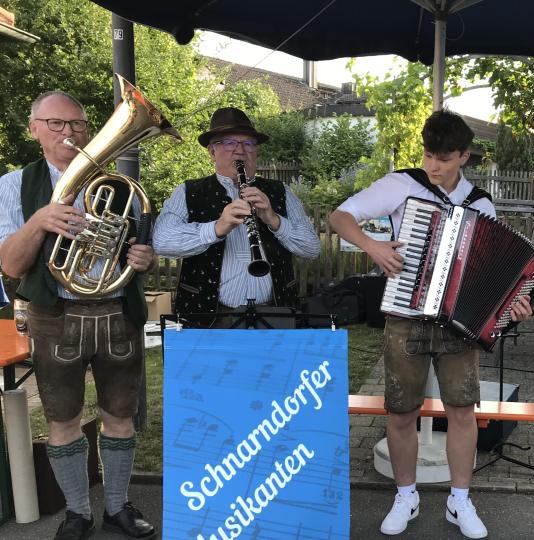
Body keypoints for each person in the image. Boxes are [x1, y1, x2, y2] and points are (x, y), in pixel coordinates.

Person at [329, 110, 532, 539]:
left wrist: (514, 301)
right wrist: (373, 246)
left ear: (463, 156)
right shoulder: (403, 184)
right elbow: (339, 217)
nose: (432, 165)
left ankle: (460, 500)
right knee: (401, 412)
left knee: (462, 412)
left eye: (443, 157)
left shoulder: (480, 204)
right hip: (406, 316)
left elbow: (497, 271)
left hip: (459, 326)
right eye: (428, 154)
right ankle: (406, 495)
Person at [0, 91, 156, 539]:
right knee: (62, 420)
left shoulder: (118, 187)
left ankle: (118, 507)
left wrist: (143, 257)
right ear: (34, 130)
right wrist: (40, 221)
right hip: (55, 318)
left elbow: (138, 252)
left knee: (120, 417)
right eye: (56, 124)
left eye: (78, 125)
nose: (69, 133)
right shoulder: (14, 185)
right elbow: (9, 265)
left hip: (115, 311)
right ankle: (77, 511)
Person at [153, 107, 320, 327]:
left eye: (248, 143)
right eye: (230, 143)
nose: (240, 151)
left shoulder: (281, 191)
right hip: (209, 317)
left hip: (275, 313)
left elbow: (312, 249)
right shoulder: (188, 191)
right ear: (212, 152)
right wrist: (215, 228)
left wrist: (274, 220)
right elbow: (162, 242)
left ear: (256, 151)